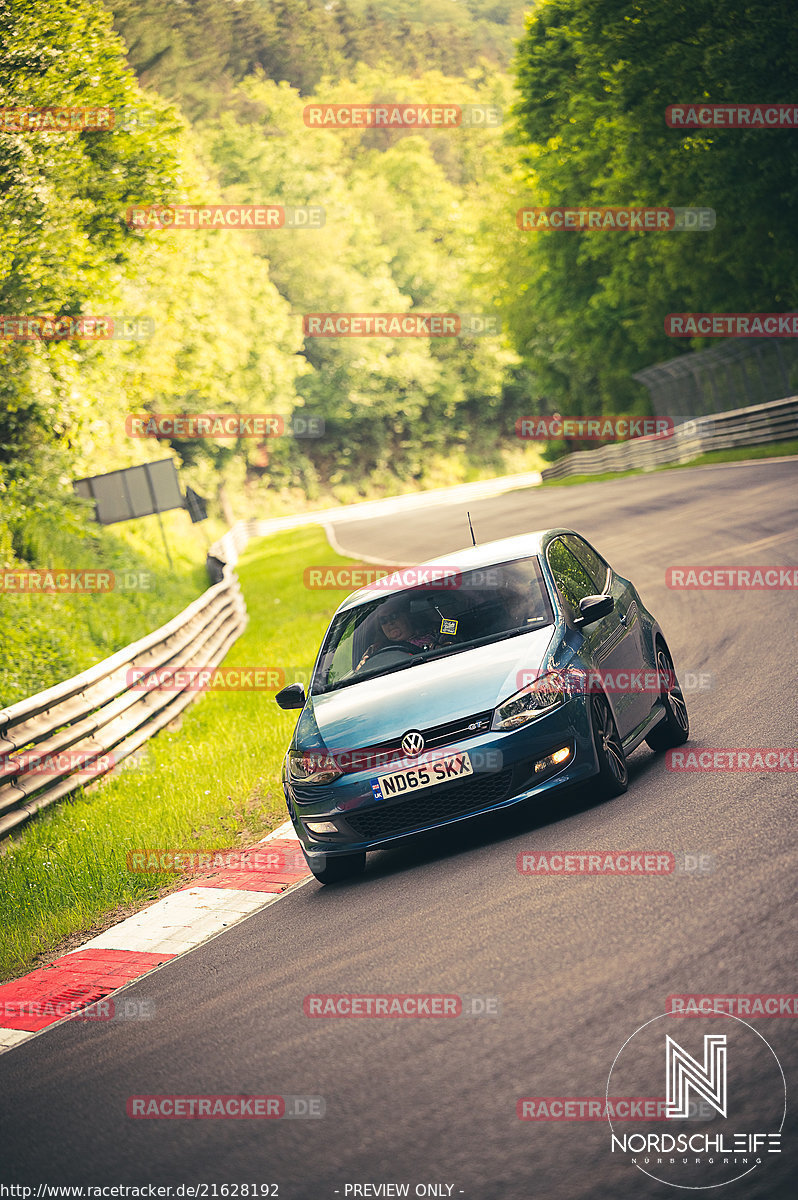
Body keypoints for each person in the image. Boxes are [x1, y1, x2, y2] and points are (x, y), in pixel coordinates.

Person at [356, 596, 436, 670]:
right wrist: (363, 667)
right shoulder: (375, 649)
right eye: (383, 620)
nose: (390, 622)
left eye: (393, 616)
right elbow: (361, 673)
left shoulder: (433, 634)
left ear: (407, 616)